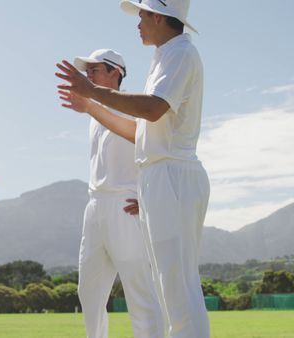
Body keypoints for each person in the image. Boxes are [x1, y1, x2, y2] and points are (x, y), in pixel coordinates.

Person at [56, 0, 210, 337]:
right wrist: (91, 104)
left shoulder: (182, 52)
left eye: (142, 15)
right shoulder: (166, 56)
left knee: (179, 292)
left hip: (172, 174)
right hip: (159, 176)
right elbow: (140, 133)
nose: (138, 22)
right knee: (171, 291)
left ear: (158, 16)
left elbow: (153, 109)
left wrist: (92, 92)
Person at [66, 49, 163, 338]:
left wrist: (145, 198)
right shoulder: (94, 115)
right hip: (95, 207)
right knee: (89, 292)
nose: (88, 76)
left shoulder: (132, 105)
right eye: (87, 71)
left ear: (115, 72)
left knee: (139, 292)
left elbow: (142, 139)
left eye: (94, 70)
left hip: (125, 206)